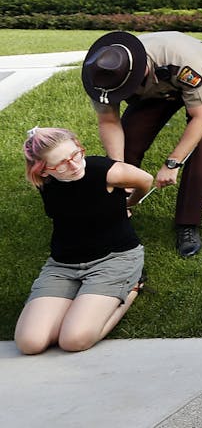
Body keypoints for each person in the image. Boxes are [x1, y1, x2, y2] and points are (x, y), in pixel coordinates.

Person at [83, 30, 202, 258]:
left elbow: (201, 117)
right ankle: (117, 212)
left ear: (140, 70)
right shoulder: (100, 73)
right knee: (129, 140)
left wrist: (172, 163)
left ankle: (188, 224)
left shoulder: (183, 62)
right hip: (155, 91)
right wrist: (120, 166)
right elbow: (108, 120)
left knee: (199, 146)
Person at [15, 127, 154, 354]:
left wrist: (128, 204)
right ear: (43, 170)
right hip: (63, 265)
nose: (74, 165)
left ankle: (133, 288)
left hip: (114, 258)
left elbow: (145, 180)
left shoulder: (106, 171)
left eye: (76, 154)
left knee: (73, 341)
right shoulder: (46, 184)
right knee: (30, 343)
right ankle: (77, 302)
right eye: (61, 163)